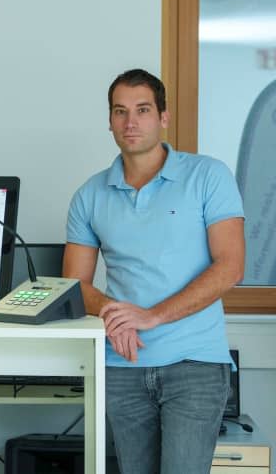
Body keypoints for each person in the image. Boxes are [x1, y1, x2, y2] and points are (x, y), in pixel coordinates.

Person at [63, 68, 245, 474]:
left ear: (163, 117)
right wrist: (116, 313)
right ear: (109, 120)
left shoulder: (208, 176)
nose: (131, 122)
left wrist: (150, 316)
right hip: (122, 366)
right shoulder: (90, 195)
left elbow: (230, 266)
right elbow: (75, 284)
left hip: (194, 365)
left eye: (143, 110)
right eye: (120, 111)